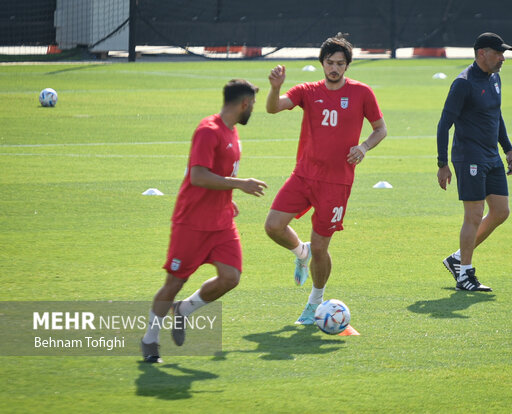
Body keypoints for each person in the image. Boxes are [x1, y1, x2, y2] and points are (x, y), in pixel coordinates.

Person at [264, 33, 387, 324]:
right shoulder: (308, 90)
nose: (334, 68)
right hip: (304, 175)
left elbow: (380, 129)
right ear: (322, 63)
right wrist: (275, 88)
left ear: (347, 66)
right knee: (273, 226)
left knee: (322, 247)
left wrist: (364, 146)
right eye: (330, 62)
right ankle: (300, 252)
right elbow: (273, 107)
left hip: (337, 183)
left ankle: (315, 303)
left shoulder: (362, 93)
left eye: (340, 63)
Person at [141, 79, 267, 363]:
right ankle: (150, 340)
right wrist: (239, 184)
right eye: (253, 105)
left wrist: (227, 198)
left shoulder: (233, 133)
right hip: (192, 223)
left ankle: (184, 310)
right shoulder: (207, 131)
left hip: (221, 223)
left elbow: (217, 175)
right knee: (174, 283)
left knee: (230, 277)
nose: (253, 110)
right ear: (244, 103)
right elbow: (198, 176)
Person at [436, 32, 512, 292]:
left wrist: (507, 148)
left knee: (501, 211)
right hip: (469, 157)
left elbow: (497, 114)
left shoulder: (495, 78)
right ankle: (465, 275)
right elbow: (444, 124)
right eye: (498, 53)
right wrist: (442, 163)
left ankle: (458, 259)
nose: (502, 58)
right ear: (481, 53)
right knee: (472, 214)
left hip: (491, 156)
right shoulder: (463, 83)